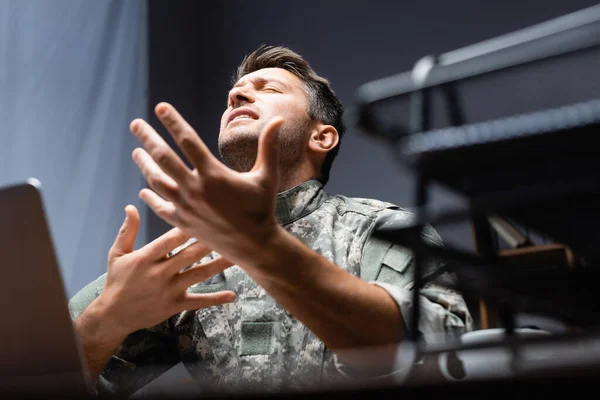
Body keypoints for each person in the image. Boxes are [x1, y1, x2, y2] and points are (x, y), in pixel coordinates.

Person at [69, 45, 473, 397]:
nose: (237, 95)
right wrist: (106, 320)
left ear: (322, 137)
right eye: (234, 94)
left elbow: (437, 353)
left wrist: (261, 244)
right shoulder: (187, 261)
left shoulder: (385, 231)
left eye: (270, 89)